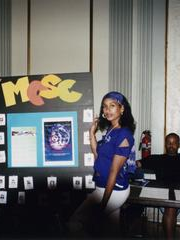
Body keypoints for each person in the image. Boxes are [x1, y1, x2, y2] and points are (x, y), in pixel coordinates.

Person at [67, 91, 135, 237]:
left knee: (75, 223)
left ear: (122, 108)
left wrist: (103, 204)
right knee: (111, 231)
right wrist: (92, 134)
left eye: (112, 106)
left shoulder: (124, 134)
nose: (107, 110)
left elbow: (114, 171)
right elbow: (98, 156)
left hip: (113, 189)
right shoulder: (111, 130)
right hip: (103, 186)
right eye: (104, 106)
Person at [137, 133, 180, 240]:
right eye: (169, 143)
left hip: (178, 195)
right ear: (165, 144)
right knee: (170, 206)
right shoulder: (157, 159)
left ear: (178, 144)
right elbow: (138, 164)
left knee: (171, 206)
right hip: (160, 195)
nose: (171, 145)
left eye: (174, 143)